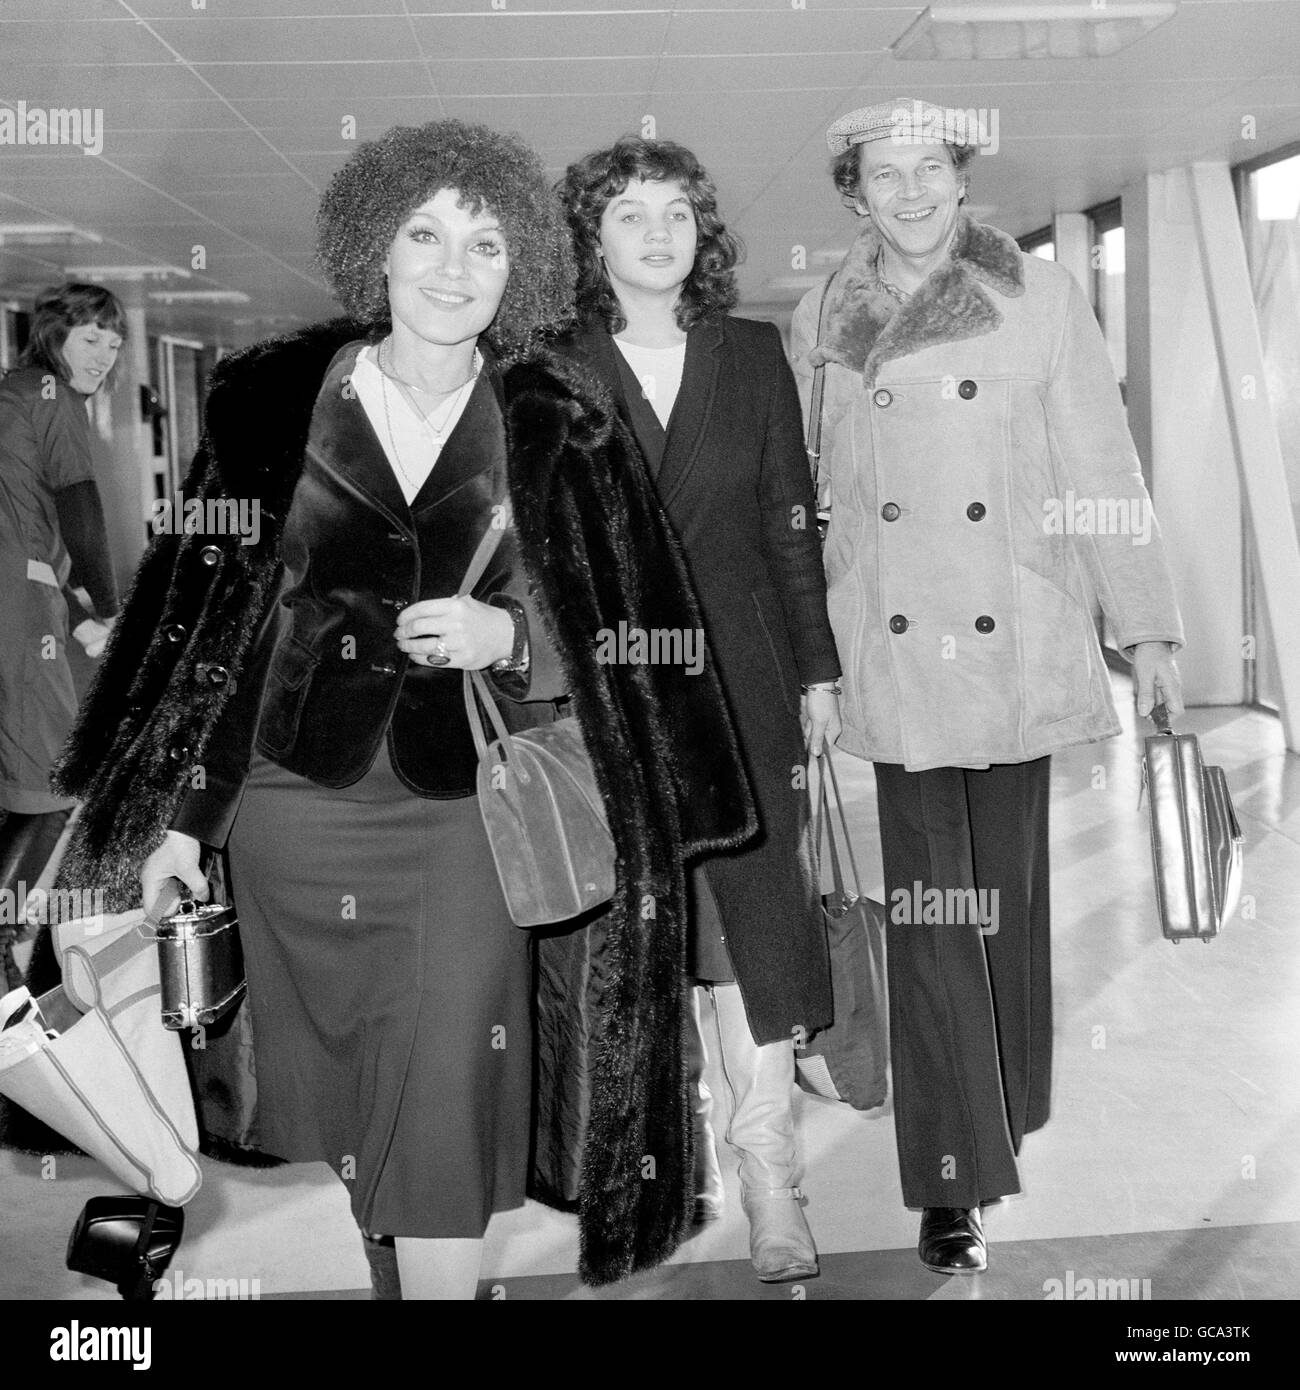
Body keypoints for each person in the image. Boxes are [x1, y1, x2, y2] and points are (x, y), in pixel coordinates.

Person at [40, 120, 757, 1297]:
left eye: (482, 244)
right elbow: (219, 633)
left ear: (514, 267)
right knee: (351, 1090)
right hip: (290, 807)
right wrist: (177, 821)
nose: (450, 266)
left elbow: (632, 638)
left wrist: (510, 639)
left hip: (468, 808)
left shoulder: (560, 421)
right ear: (377, 245)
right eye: (424, 233)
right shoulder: (276, 406)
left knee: (446, 1079)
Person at [791, 99, 1185, 1275]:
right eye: (881, 173)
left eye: (928, 168)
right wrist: (809, 659)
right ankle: (950, 1178)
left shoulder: (1040, 295)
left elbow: (1100, 462)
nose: (908, 190)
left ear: (961, 180)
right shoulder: (822, 310)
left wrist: (1148, 625)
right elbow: (808, 500)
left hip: (1013, 629)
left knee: (1003, 903)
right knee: (929, 917)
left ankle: (999, 1106)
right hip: (895, 648)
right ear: (853, 192)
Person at [558, 137, 840, 1283]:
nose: (658, 231)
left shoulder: (750, 352)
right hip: (615, 703)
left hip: (749, 692)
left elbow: (790, 523)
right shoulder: (556, 364)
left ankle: (772, 1181)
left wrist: (816, 672)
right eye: (630, 213)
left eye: (676, 211)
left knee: (752, 942)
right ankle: (662, 1182)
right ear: (593, 241)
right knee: (641, 943)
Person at [0, 283, 124, 990]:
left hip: (22, 601)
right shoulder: (53, 397)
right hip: (18, 613)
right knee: (52, 785)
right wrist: (112, 609)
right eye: (91, 339)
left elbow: (26, 531)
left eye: (113, 345)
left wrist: (79, 621)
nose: (104, 356)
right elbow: (78, 507)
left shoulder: (15, 392)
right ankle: (5, 949)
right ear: (53, 337)